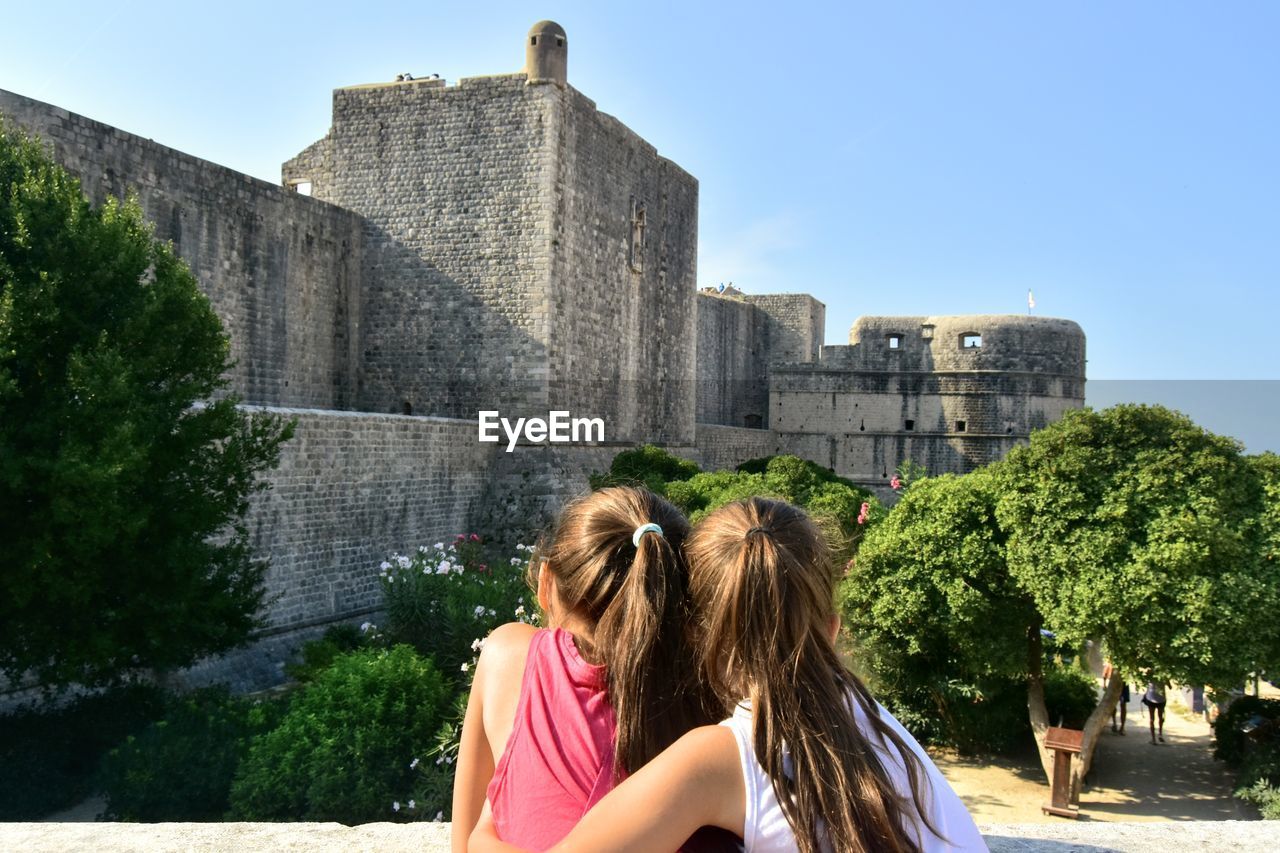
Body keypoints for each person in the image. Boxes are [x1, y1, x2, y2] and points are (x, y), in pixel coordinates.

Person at [472, 497, 986, 852]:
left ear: (693, 631)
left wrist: (485, 829)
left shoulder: (720, 758)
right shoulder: (867, 719)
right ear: (830, 629)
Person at [451, 486, 724, 852]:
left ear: (545, 584)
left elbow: (462, 842)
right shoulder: (722, 693)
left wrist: (483, 834)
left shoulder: (507, 656)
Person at [1102, 660, 1128, 735]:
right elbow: (1105, 673)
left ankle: (1120, 726)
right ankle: (1116, 724)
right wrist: (1104, 684)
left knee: (1121, 705)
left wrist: (1104, 684)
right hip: (1115, 684)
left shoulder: (1124, 661)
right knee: (1115, 705)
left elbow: (1104, 673)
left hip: (1122, 684)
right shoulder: (1112, 662)